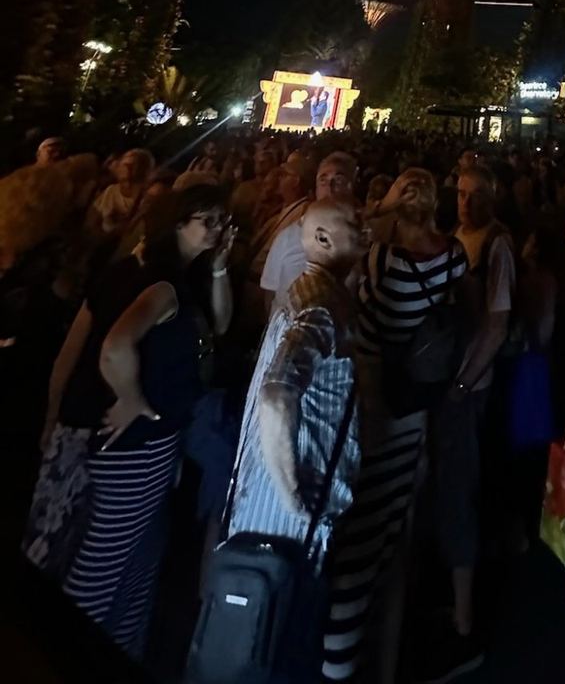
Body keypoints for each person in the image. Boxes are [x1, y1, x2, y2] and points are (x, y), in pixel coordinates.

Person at [28, 183, 233, 656]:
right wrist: (132, 398)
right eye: (208, 220)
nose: (219, 229)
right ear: (177, 223)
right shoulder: (162, 286)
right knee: (103, 565)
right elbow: (114, 347)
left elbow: (70, 351)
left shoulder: (131, 271)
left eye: (222, 219)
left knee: (139, 558)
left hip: (110, 438)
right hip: (136, 446)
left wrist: (54, 415)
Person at [323, 168, 467, 684]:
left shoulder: (415, 256)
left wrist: (384, 203)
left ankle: (360, 663)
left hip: (391, 403)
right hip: (394, 402)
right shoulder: (413, 254)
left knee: (375, 543)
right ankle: (364, 663)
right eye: (411, 184)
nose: (415, 191)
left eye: (420, 185)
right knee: (377, 538)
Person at [223, 200, 366, 681]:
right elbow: (278, 395)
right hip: (284, 525)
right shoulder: (320, 304)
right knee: (276, 642)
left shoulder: (311, 292)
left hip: (265, 513)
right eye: (355, 223)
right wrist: (292, 493)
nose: (366, 229)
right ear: (323, 240)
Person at [419, 165, 515, 683]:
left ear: (493, 200)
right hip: (449, 385)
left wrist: (462, 384)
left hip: (468, 389)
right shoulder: (457, 239)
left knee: (459, 492)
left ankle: (463, 625)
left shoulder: (496, 245)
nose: (464, 202)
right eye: (458, 193)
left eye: (475, 195)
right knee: (449, 488)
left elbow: (497, 324)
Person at [260, 153, 357, 308]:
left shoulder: (362, 241)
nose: (329, 187)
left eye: (338, 180)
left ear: (351, 186)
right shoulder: (288, 235)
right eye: (323, 180)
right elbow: (270, 293)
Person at [90, 148, 153, 238]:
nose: (118, 165)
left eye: (126, 165)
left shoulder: (143, 201)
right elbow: (94, 220)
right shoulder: (112, 191)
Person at [229, 141, 281, 230]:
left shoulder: (278, 189)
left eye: (264, 162)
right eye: (257, 162)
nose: (260, 164)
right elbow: (233, 210)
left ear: (273, 164)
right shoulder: (244, 188)